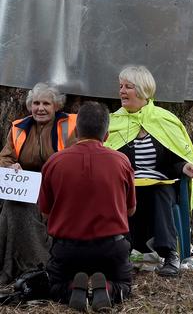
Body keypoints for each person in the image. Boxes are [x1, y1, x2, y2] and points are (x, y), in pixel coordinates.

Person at [105, 65, 193, 277]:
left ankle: (169, 253)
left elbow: (175, 158)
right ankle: (121, 254)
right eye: (120, 86)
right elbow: (104, 158)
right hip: (127, 184)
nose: (122, 92)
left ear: (143, 91)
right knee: (122, 193)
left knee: (159, 192)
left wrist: (185, 167)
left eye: (128, 87)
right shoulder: (112, 121)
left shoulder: (164, 120)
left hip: (160, 183)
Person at [38, 101, 136, 311]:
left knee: (55, 286)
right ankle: (109, 288)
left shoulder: (54, 162)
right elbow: (130, 210)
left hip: (68, 249)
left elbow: (45, 213)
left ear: (75, 131)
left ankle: (73, 288)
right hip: (111, 247)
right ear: (107, 134)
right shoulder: (122, 162)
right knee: (125, 285)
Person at [0, 83, 76, 285]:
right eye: (36, 103)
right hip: (26, 187)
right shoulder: (18, 128)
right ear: (29, 105)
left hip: (59, 188)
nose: (40, 108)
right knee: (12, 206)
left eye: (45, 103)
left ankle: (37, 262)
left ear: (56, 106)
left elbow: (77, 158)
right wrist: (12, 167)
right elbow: (4, 158)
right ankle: (12, 264)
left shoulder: (70, 126)